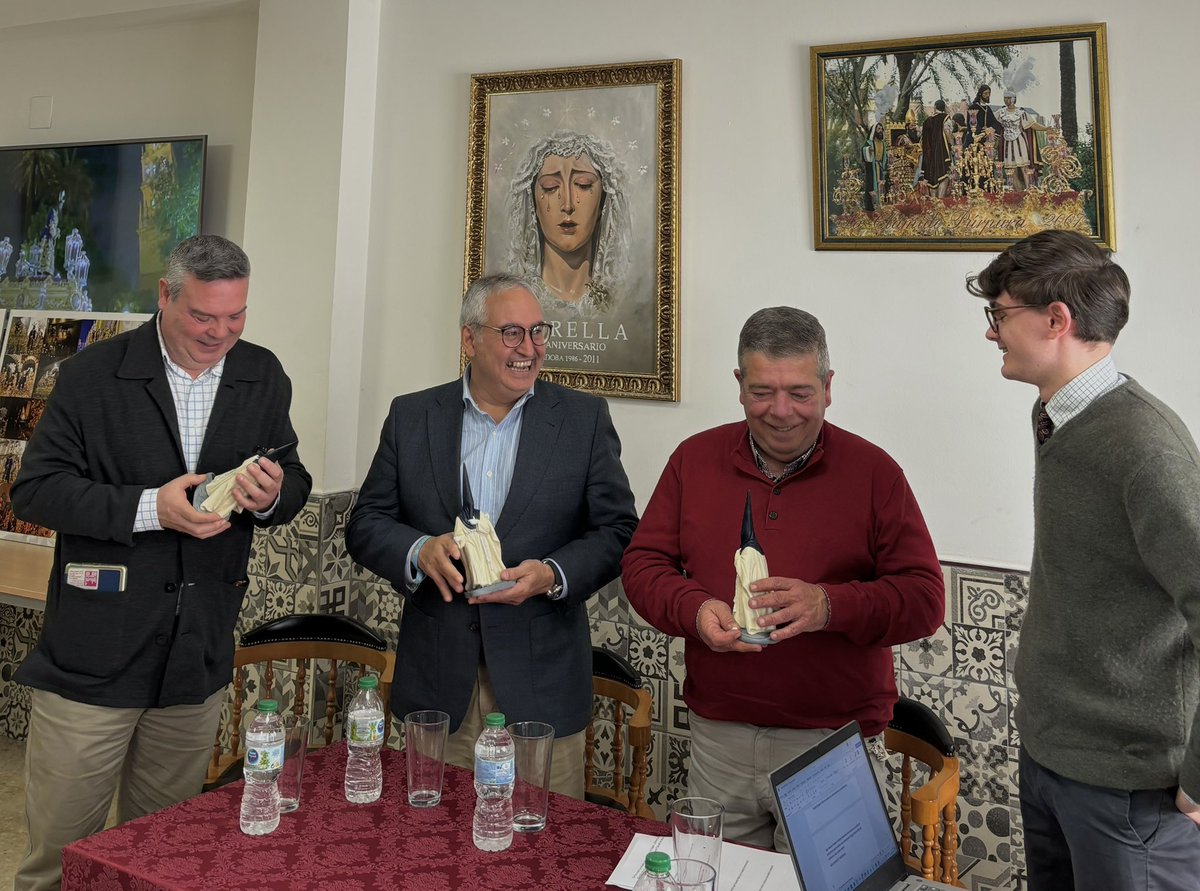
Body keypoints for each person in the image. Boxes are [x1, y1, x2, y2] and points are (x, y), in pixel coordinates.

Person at [10, 234, 312, 891]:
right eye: (204, 317)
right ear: (165, 296)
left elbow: (293, 476)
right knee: (60, 866)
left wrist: (272, 495)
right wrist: (152, 507)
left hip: (195, 655)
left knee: (159, 857)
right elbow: (35, 489)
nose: (221, 333)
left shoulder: (263, 373)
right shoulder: (92, 376)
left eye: (236, 317)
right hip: (92, 656)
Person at [621, 306, 943, 851]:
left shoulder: (874, 472)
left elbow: (924, 598)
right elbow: (642, 565)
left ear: (828, 386)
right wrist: (695, 610)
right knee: (714, 883)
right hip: (718, 737)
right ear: (739, 385)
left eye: (800, 392)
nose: (781, 412)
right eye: (762, 391)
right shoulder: (692, 460)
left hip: (831, 744)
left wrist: (828, 606)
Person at [966, 229, 1200, 890]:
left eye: (1000, 314)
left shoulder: (1146, 446)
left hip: (1129, 793)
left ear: (1056, 319)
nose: (991, 332)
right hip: (1051, 761)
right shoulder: (1058, 415)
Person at [346, 272, 637, 798]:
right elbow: (366, 523)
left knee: (536, 856)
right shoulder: (412, 416)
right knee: (434, 848)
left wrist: (552, 575)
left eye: (538, 332)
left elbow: (617, 531)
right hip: (438, 689)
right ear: (469, 339)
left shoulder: (582, 420)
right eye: (511, 333)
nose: (529, 349)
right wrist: (418, 550)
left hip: (540, 690)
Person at [505, 130, 631, 316]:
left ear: (603, 201)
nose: (568, 204)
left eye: (583, 184)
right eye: (550, 187)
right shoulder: (516, 301)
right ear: (532, 204)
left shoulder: (621, 305)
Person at [996, 90, 1050, 191]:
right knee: (1011, 170)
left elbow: (1032, 124)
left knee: (1025, 168)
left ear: (1013, 99)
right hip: (1007, 145)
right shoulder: (1000, 112)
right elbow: (992, 122)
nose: (1006, 100)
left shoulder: (1021, 113)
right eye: (1005, 98)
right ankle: (1017, 194)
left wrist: (1045, 128)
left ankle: (1029, 191)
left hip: (1020, 143)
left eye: (1008, 98)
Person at [920, 99, 952, 197]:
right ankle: (940, 201)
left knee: (932, 178)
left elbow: (922, 141)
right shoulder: (945, 118)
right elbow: (947, 133)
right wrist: (952, 144)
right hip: (942, 153)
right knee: (943, 174)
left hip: (929, 156)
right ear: (944, 108)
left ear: (935, 107)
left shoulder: (927, 121)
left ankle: (934, 203)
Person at [860, 122, 888, 210]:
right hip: (872, 169)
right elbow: (864, 150)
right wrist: (868, 150)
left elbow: (884, 157)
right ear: (874, 131)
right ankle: (873, 208)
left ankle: (882, 206)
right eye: (878, 129)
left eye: (881, 129)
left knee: (882, 188)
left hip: (880, 167)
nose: (880, 131)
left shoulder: (883, 143)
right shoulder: (869, 143)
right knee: (873, 190)